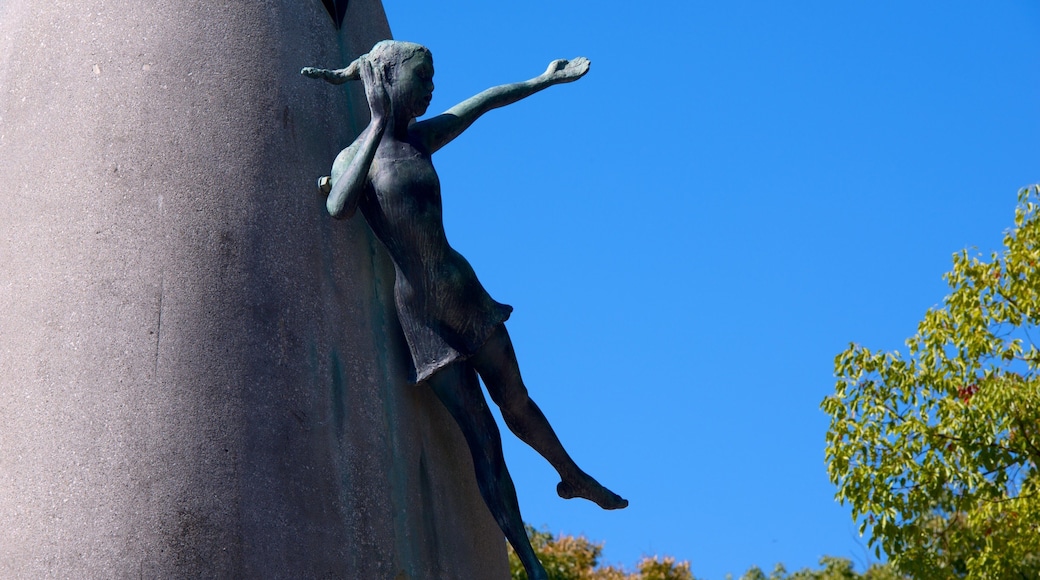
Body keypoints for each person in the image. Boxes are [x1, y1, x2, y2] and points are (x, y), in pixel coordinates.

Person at [302, 41, 626, 580]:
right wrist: (378, 121)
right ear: (386, 80)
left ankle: (571, 476)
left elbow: (484, 103)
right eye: (422, 77)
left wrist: (543, 81)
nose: (432, 89)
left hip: (464, 292)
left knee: (517, 400)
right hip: (424, 318)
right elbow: (338, 206)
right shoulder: (354, 155)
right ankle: (530, 559)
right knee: (484, 440)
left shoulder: (420, 140)